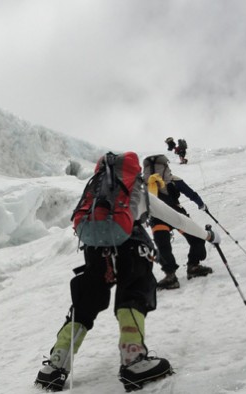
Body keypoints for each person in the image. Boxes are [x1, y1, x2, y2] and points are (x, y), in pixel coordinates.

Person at [35, 152, 173, 392]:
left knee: (86, 302)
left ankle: (56, 365)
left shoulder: (97, 192)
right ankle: (133, 360)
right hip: (132, 247)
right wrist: (209, 235)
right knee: (133, 294)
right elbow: (175, 218)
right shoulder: (136, 191)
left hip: (95, 250)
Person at [143, 154, 212, 290]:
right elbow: (191, 194)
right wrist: (201, 205)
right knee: (196, 237)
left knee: (163, 246)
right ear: (166, 167)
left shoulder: (144, 183)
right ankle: (193, 266)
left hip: (157, 219)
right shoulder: (173, 180)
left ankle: (170, 276)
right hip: (177, 215)